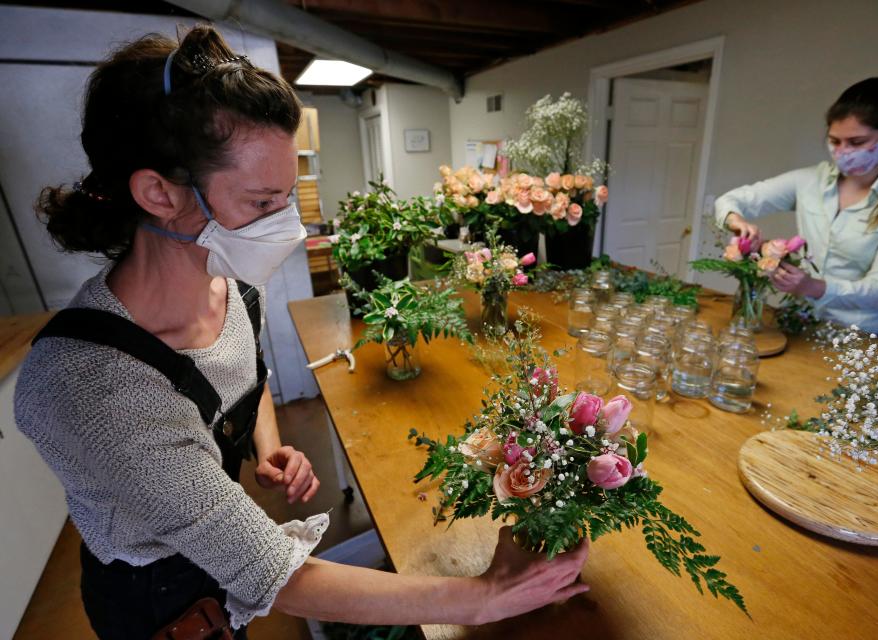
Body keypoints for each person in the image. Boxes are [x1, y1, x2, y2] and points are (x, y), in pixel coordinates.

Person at [14, 26, 588, 639]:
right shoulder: (91, 385)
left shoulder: (228, 286)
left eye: (286, 199)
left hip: (218, 557)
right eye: (263, 203)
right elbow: (283, 581)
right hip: (158, 597)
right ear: (159, 193)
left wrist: (267, 445)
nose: (286, 228)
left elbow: (243, 371)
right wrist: (483, 598)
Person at [715, 76, 878, 336]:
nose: (843, 152)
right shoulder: (811, 180)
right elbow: (730, 201)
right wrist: (737, 223)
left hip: (862, 335)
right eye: (834, 141)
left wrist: (813, 286)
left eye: (856, 142)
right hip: (800, 323)